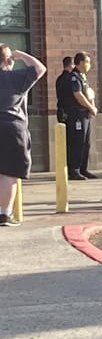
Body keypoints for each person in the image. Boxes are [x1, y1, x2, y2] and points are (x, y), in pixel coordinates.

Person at [0, 44, 47, 227]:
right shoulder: (16, 77)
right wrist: (21, 55)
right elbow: (40, 68)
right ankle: (4, 214)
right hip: (12, 127)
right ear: (8, 60)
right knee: (9, 173)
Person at [60, 51, 99, 180]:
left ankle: (83, 168)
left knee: (85, 142)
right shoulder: (74, 77)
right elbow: (78, 95)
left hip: (85, 114)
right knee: (77, 142)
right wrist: (90, 107)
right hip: (76, 114)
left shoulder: (82, 77)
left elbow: (89, 93)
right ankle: (74, 170)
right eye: (87, 62)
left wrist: (92, 107)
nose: (89, 64)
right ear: (81, 62)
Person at [54, 56, 74, 124]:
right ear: (71, 65)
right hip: (70, 112)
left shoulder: (59, 79)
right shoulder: (71, 79)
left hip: (61, 111)